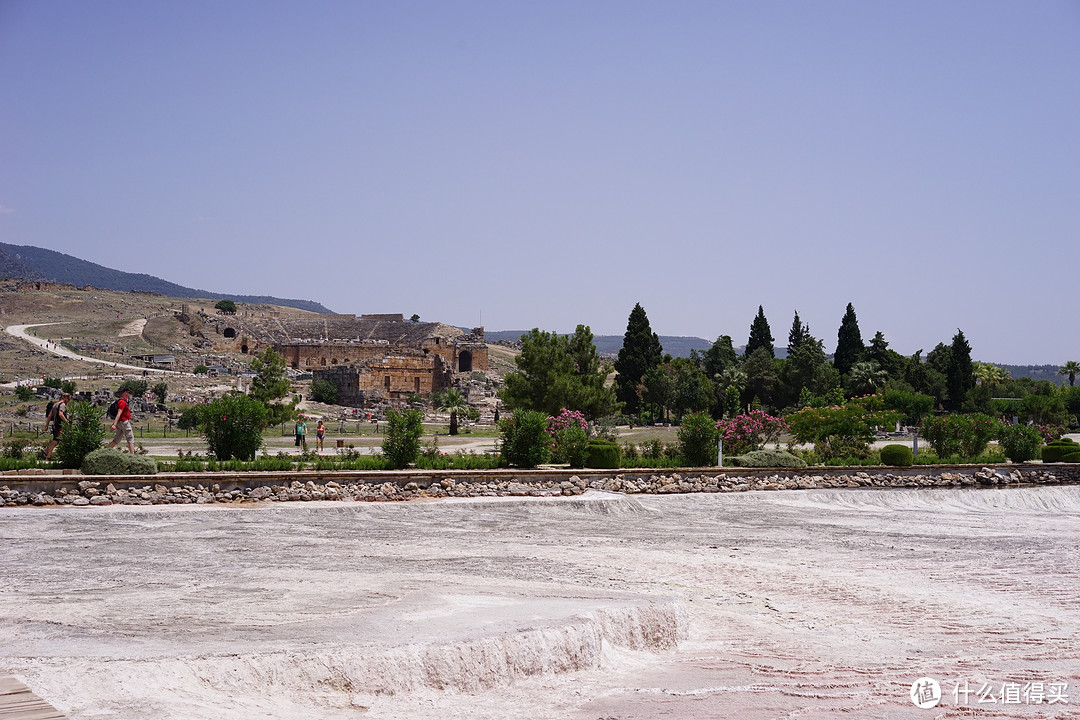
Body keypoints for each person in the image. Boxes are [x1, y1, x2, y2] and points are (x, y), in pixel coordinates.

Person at [108, 388, 136, 454]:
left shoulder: (122, 401)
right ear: (124, 393)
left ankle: (106, 451)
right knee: (130, 438)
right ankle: (133, 456)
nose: (129, 394)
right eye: (128, 392)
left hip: (120, 423)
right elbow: (119, 413)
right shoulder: (122, 401)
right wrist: (114, 424)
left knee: (117, 439)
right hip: (124, 422)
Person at [43, 392, 70, 460]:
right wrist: (67, 422)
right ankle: (48, 456)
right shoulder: (62, 405)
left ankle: (46, 451)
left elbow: (49, 416)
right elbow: (60, 414)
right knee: (56, 441)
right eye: (69, 399)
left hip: (55, 425)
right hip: (59, 425)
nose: (69, 401)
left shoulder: (55, 404)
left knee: (58, 440)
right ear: (65, 398)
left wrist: (46, 425)